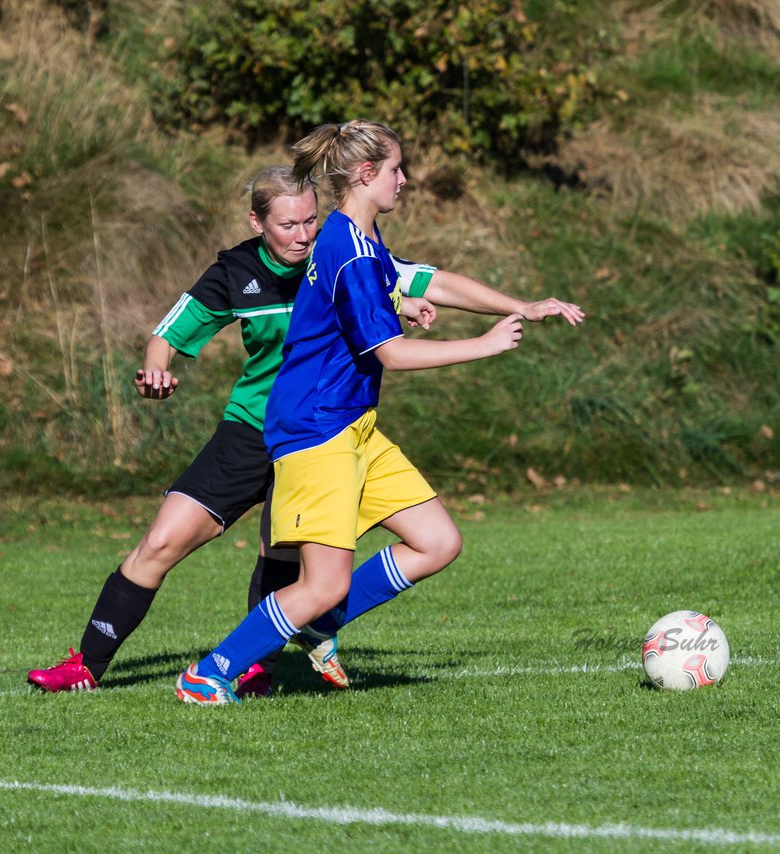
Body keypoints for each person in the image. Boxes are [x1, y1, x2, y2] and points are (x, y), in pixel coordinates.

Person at [29, 165, 579, 696]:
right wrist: (157, 368)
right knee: (162, 541)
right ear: (256, 223)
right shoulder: (235, 274)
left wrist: (517, 305)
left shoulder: (337, 252)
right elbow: (168, 333)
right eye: (287, 225)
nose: (302, 234)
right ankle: (88, 664)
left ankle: (246, 667)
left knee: (283, 558)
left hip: (320, 434)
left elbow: (432, 279)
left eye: (309, 220)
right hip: (253, 429)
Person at [175, 120, 583, 703]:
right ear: (366, 175)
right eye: (396, 169)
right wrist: (485, 344)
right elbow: (387, 352)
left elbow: (421, 285)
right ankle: (208, 674)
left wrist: (519, 304)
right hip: (318, 429)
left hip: (354, 426)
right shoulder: (347, 246)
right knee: (320, 583)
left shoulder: (356, 240)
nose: (405, 179)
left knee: (436, 541)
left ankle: (321, 623)